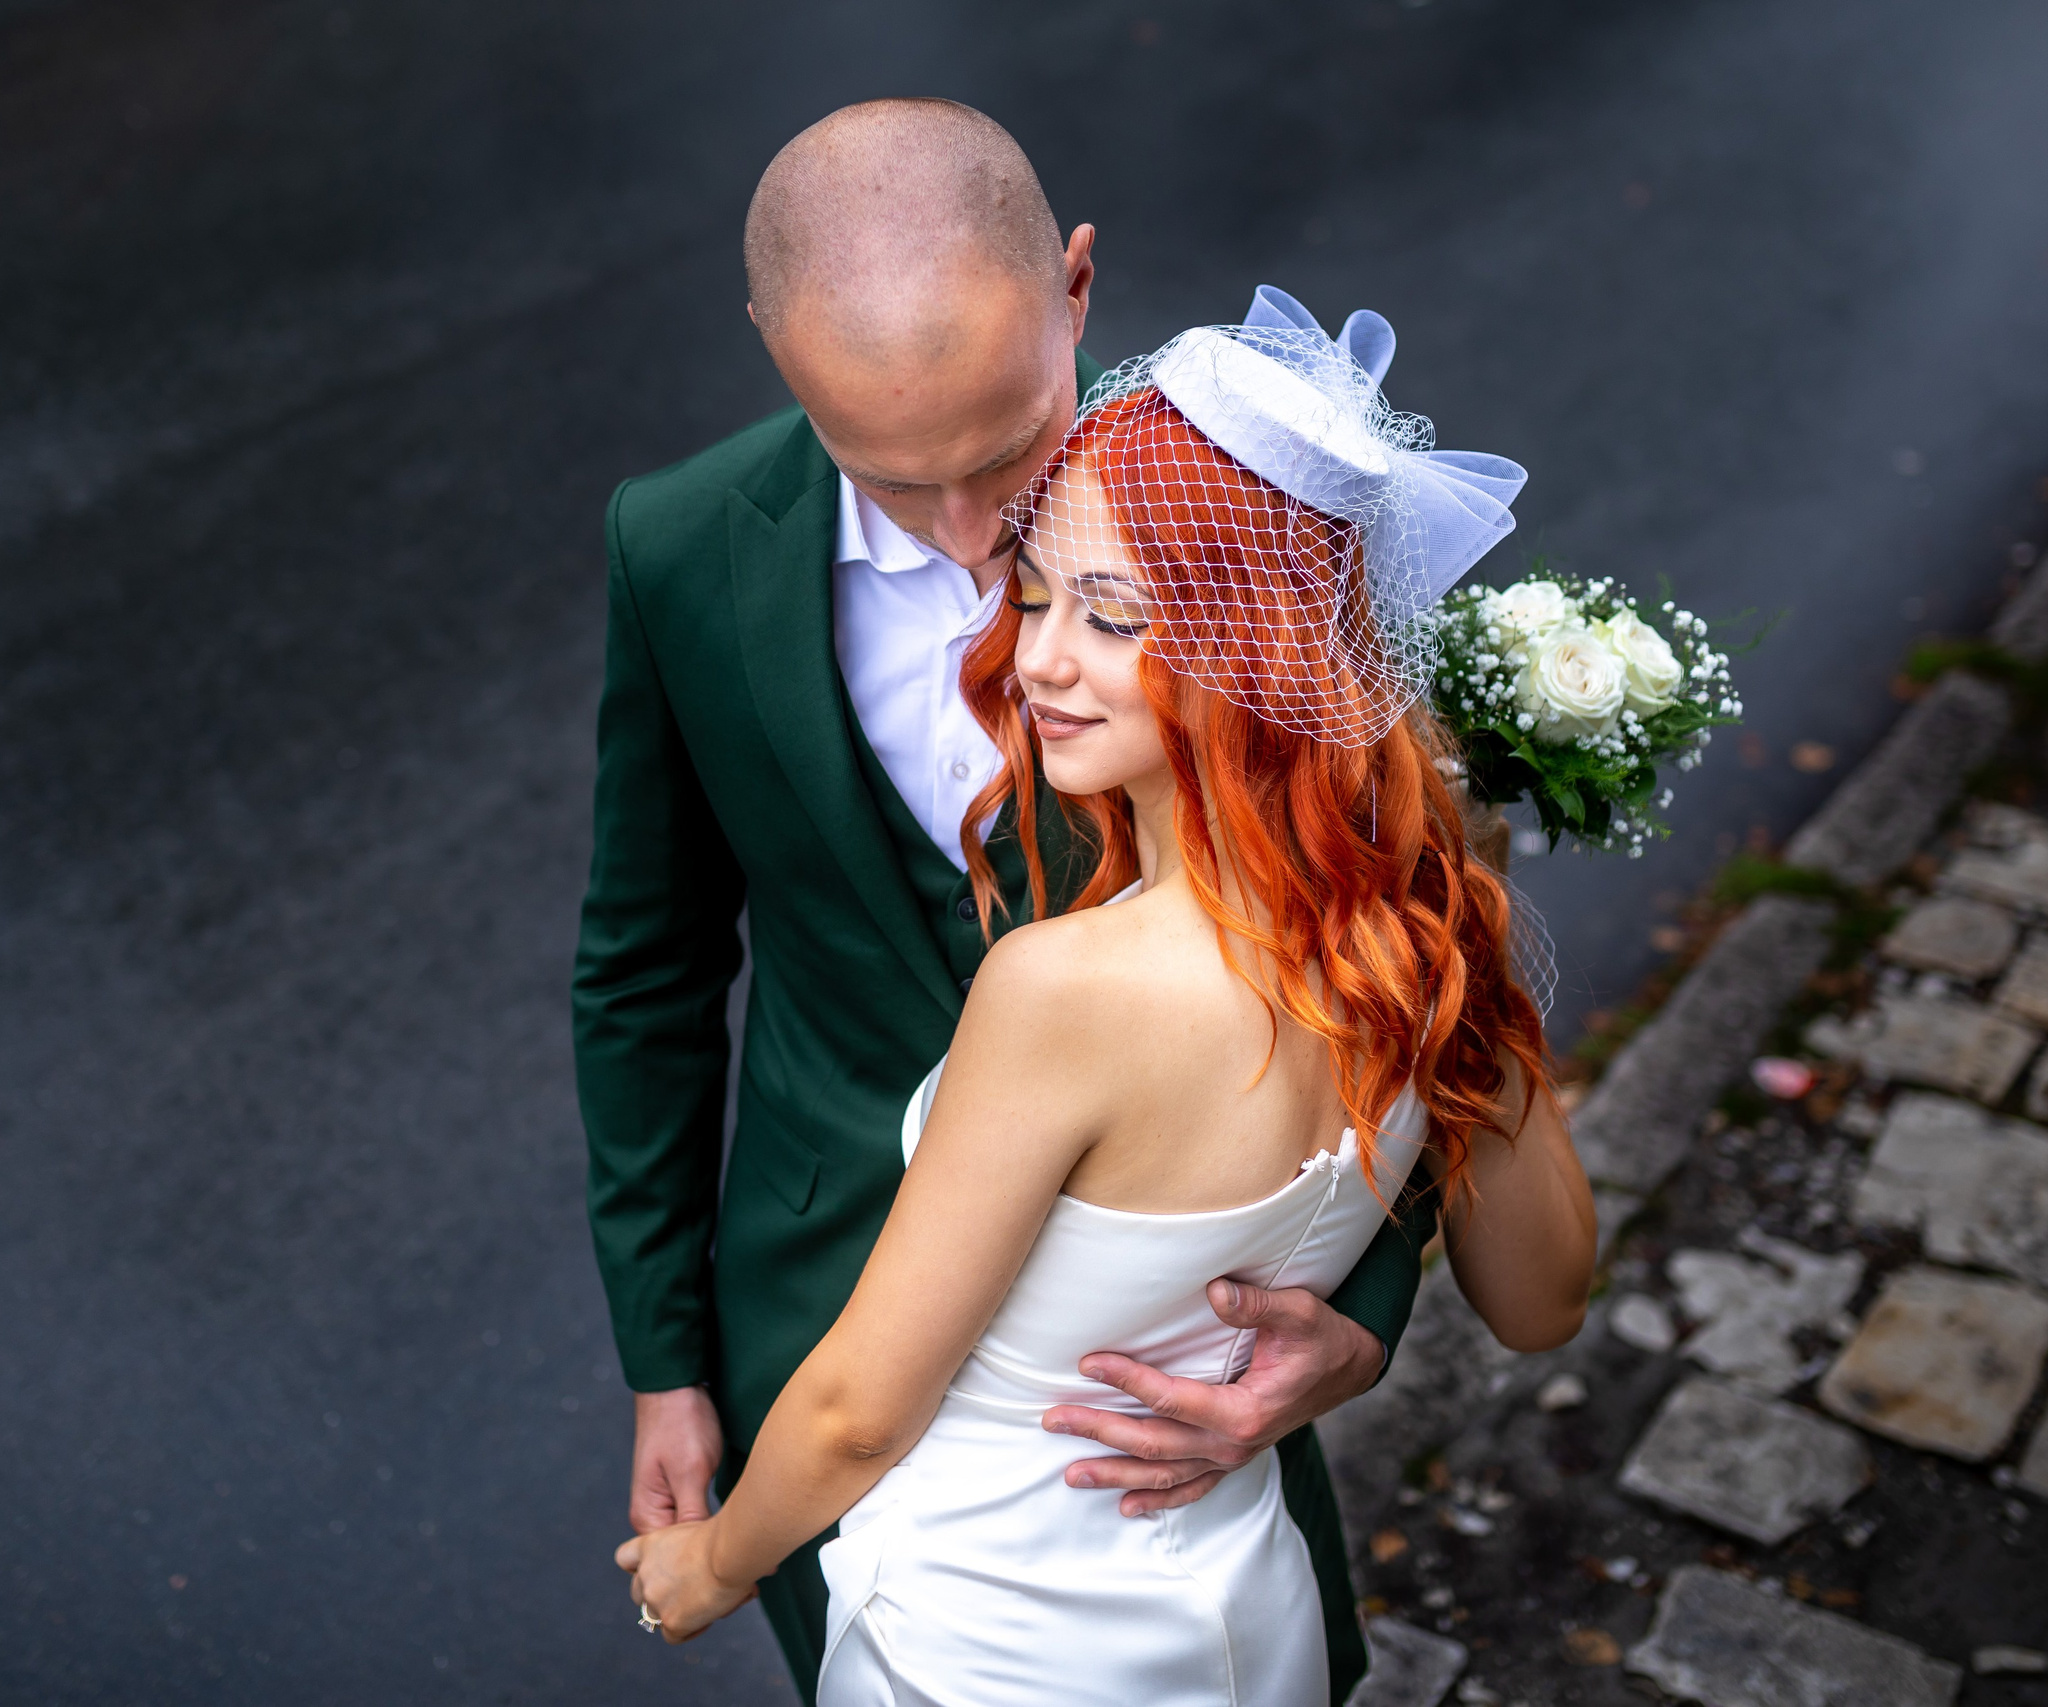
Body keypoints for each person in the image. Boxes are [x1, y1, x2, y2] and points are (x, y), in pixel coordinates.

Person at [574, 98, 1527, 1703]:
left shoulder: (1240, 517)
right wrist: (667, 1361)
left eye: (1006, 456)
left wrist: (1356, 1310)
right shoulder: (675, 546)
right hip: (815, 1318)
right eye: (889, 478)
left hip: (1161, 1358)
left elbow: (1381, 919)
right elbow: (644, 971)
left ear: (1077, 290)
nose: (971, 545)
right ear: (773, 346)